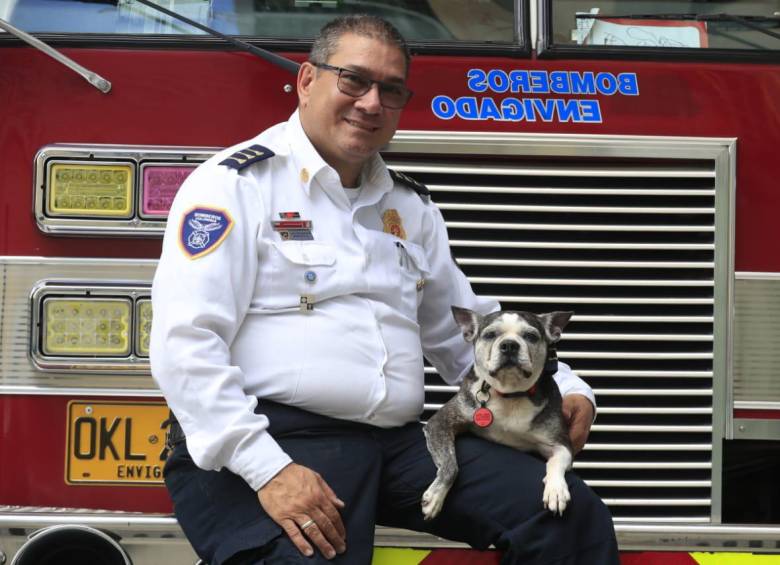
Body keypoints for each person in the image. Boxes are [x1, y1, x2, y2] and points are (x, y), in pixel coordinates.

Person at [150, 14, 619, 565]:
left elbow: (458, 330)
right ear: (306, 80)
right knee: (314, 555)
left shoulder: (409, 207)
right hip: (271, 439)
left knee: (569, 519)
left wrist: (567, 383)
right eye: (353, 80)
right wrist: (268, 470)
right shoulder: (234, 185)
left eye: (390, 90)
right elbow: (186, 345)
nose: (371, 103)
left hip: (395, 445)